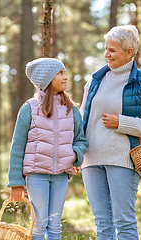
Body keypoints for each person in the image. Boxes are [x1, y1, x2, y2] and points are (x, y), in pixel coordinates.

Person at [79, 25, 141, 239]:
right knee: (102, 223)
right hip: (91, 160)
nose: (107, 54)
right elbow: (81, 119)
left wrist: (121, 122)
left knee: (124, 222)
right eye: (106, 49)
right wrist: (75, 154)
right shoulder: (95, 80)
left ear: (129, 52)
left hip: (123, 159)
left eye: (113, 50)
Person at [7, 58, 88, 240]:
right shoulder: (29, 109)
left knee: (55, 224)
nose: (65, 77)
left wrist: (75, 155)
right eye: (60, 73)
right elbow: (17, 147)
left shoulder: (71, 110)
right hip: (36, 176)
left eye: (64, 72)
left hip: (61, 176)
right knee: (39, 223)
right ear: (47, 78)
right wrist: (16, 182)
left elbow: (81, 140)